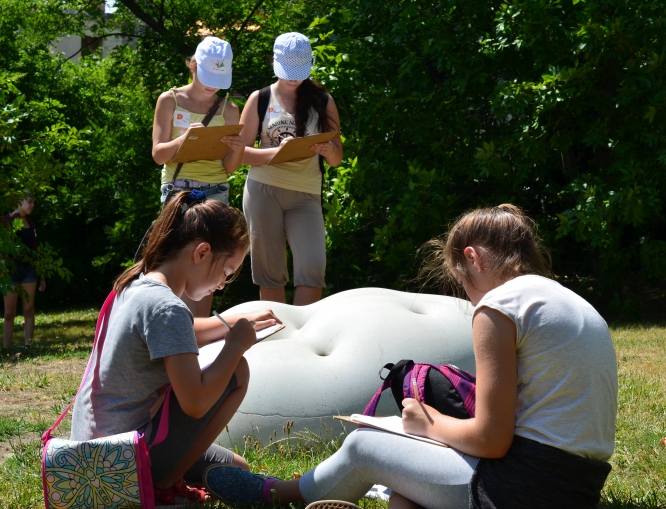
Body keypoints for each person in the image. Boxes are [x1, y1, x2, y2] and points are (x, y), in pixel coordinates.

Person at [202, 204, 619, 509]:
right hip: (577, 490)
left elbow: (493, 439)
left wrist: (428, 424)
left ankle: (276, 495)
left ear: (471, 258)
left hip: (522, 488)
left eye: (462, 283)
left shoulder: (499, 306)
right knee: (405, 498)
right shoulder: (570, 303)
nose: (470, 296)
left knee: (367, 445)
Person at [70, 191, 280, 505]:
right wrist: (235, 345)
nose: (222, 285)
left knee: (237, 466)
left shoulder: (135, 285)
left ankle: (175, 476)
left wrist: (233, 321)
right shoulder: (167, 307)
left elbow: (178, 333)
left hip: (88, 457)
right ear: (202, 252)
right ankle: (164, 484)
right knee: (238, 370)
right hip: (123, 460)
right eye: (225, 272)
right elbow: (195, 403)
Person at [239, 32, 343, 306]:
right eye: (287, 71)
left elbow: (336, 159)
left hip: (306, 192)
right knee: (270, 273)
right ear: (274, 62)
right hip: (263, 191)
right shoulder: (259, 99)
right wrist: (278, 153)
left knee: (313, 268)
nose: (293, 78)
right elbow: (239, 153)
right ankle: (276, 339)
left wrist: (329, 149)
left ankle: (302, 340)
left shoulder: (323, 100)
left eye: (298, 71)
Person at [152, 35, 245, 318]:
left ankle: (199, 336)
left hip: (216, 190)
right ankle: (170, 327)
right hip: (177, 190)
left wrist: (239, 150)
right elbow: (158, 154)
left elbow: (228, 168)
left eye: (219, 77)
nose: (212, 84)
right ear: (192, 65)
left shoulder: (230, 109)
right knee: (174, 260)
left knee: (209, 269)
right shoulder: (169, 100)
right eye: (207, 75)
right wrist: (185, 141)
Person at [2, 193, 45, 349]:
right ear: (19, 202)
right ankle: (6, 347)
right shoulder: (6, 221)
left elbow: (35, 250)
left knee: (28, 308)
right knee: (9, 313)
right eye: (30, 202)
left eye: (33, 202)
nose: (32, 205)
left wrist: (41, 275)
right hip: (10, 271)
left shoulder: (31, 224)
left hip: (29, 271)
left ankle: (28, 346)